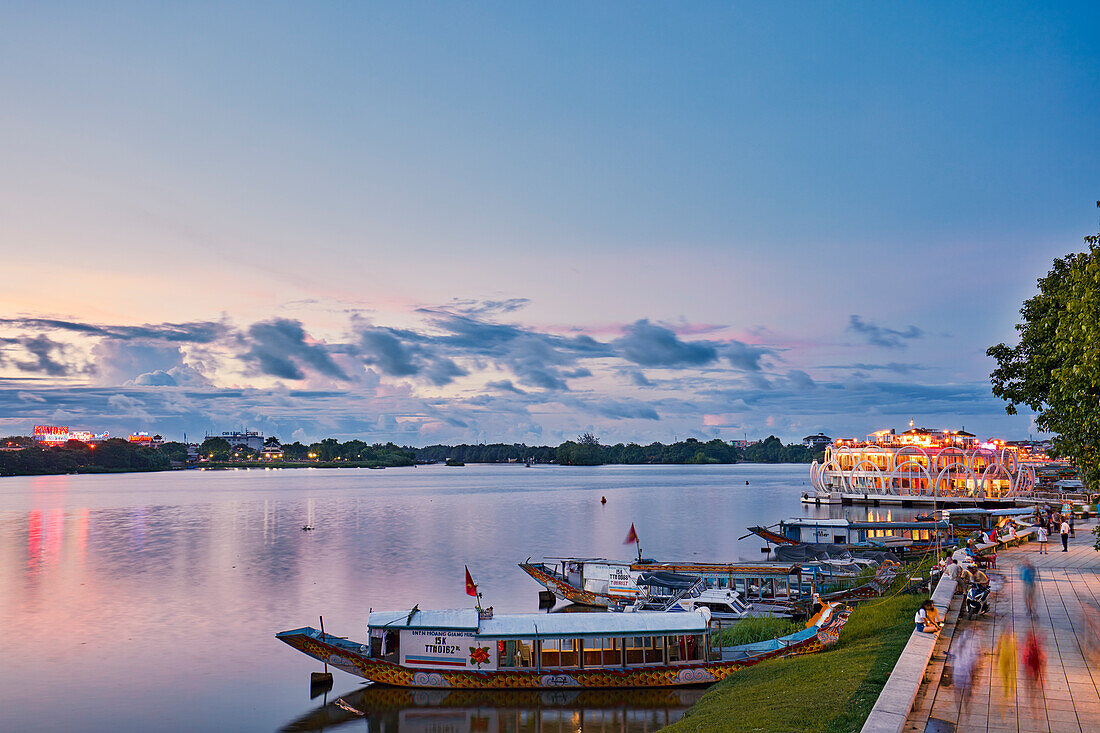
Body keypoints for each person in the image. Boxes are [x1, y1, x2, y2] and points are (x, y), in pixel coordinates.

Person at [994, 631, 1017, 721]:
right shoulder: (1001, 639)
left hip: (1011, 666)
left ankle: (1011, 701)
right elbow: (998, 651)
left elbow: (1015, 653)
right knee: (1005, 683)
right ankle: (1007, 699)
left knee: (1012, 685)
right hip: (1004, 665)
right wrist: (996, 662)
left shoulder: (1013, 640)